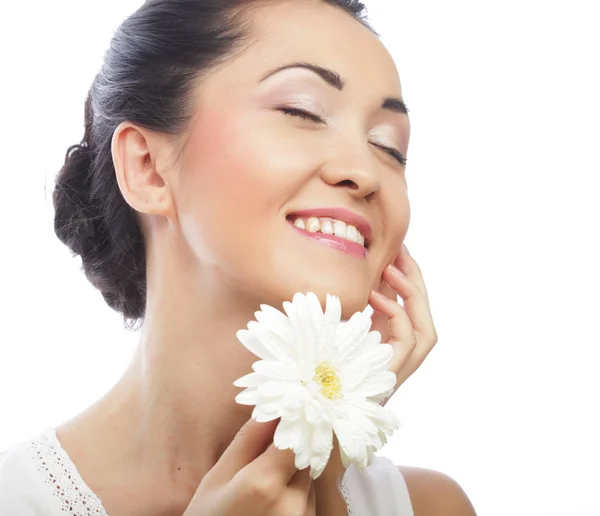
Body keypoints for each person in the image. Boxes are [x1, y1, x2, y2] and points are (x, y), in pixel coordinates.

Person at [0, 0, 477, 514]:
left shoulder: (429, 505)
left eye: (390, 147)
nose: (363, 171)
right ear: (148, 169)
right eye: (302, 111)